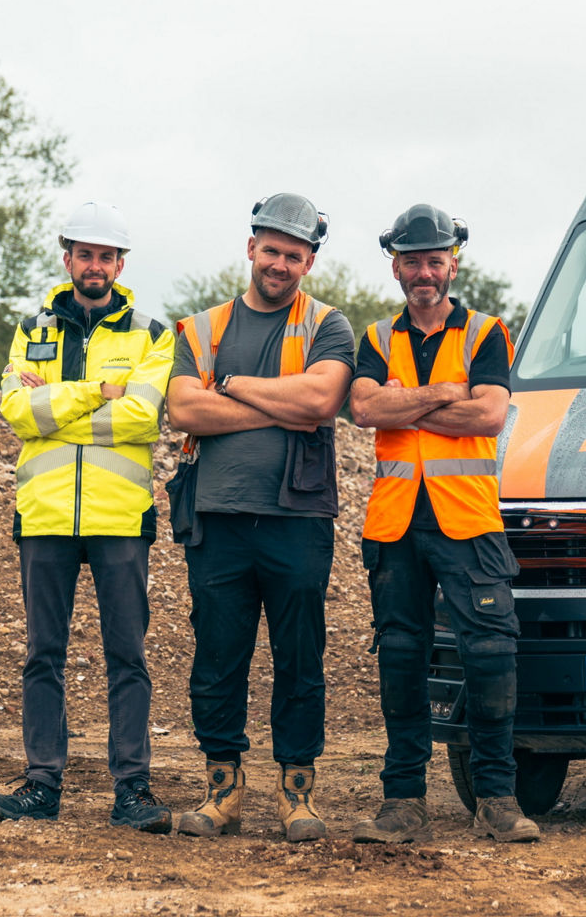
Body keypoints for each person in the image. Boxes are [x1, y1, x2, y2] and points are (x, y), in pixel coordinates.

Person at [166, 193, 354, 842]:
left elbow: (324, 398)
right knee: (218, 659)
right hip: (216, 518)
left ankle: (297, 794)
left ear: (308, 261)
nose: (279, 263)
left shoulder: (329, 325)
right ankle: (224, 791)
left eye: (293, 255)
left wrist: (232, 385)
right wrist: (283, 403)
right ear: (251, 248)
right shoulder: (201, 328)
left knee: (300, 657)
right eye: (271, 250)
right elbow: (186, 412)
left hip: (296, 520)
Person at [350, 203, 539, 843]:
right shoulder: (376, 338)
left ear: (452, 264)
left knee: (489, 654)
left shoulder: (486, 332)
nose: (423, 272)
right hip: (396, 524)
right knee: (401, 657)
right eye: (412, 261)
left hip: (468, 519)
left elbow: (488, 417)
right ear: (396, 266)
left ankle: (496, 797)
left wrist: (404, 406)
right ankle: (403, 801)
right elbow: (364, 407)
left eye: (435, 260)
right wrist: (442, 394)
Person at [0, 201, 176, 832]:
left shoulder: (151, 333)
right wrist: (97, 393)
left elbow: (144, 418)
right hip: (43, 517)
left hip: (121, 518)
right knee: (44, 653)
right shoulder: (30, 327)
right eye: (85, 254)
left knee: (128, 655)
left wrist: (53, 405)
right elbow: (16, 414)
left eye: (106, 256)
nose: (95, 266)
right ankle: (42, 783)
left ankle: (133, 789)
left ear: (120, 265)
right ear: (67, 257)